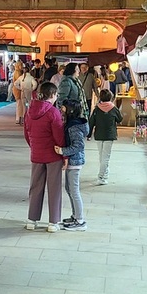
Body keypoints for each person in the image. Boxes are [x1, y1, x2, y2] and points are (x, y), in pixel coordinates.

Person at [23, 82, 65, 232]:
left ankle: (31, 220)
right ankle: (53, 222)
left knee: (35, 187)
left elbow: (27, 133)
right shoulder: (53, 112)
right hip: (53, 155)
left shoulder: (29, 111)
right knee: (54, 188)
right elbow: (59, 136)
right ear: (52, 95)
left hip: (36, 154)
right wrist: (63, 152)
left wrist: (34, 146)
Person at [55, 99, 89, 231]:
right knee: (69, 189)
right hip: (73, 161)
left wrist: (63, 151)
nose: (61, 110)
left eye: (63, 108)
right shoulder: (71, 124)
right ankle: (75, 216)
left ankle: (80, 220)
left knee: (74, 191)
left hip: (75, 162)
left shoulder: (74, 127)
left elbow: (78, 145)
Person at [89, 89, 123, 186]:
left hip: (99, 135)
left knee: (101, 156)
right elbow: (120, 118)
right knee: (105, 158)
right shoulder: (114, 108)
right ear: (110, 97)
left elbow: (91, 122)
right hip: (109, 135)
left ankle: (105, 173)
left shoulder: (97, 109)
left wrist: (88, 134)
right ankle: (101, 177)